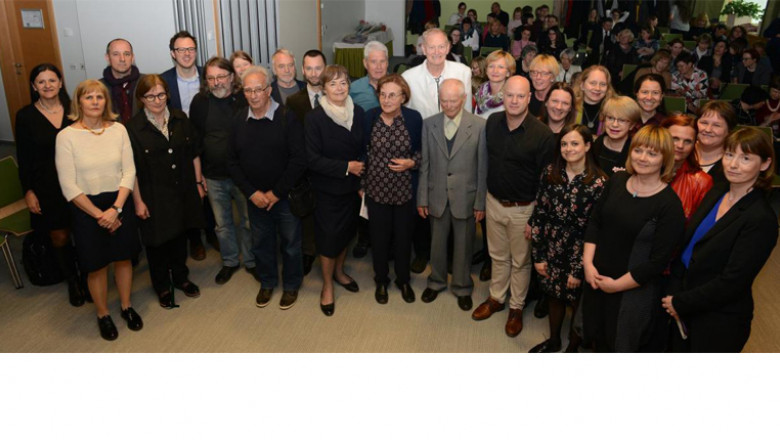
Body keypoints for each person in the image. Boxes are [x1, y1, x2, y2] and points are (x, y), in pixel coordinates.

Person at [663, 127, 777, 352]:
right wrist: (673, 291)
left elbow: (733, 281)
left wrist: (681, 303)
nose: (733, 164)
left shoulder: (761, 218)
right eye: (729, 154)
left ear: (764, 164)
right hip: (682, 302)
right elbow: (688, 247)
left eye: (745, 158)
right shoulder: (718, 191)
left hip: (718, 320)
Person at [582, 125, 685, 352]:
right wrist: (588, 264)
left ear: (665, 159)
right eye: (639, 150)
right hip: (596, 278)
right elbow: (595, 222)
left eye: (652, 153)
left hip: (630, 292)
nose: (643, 158)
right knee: (592, 336)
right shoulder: (617, 181)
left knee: (619, 345)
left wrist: (616, 286)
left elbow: (657, 262)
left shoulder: (670, 206)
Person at [55, 79, 142, 341]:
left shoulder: (119, 130)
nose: (95, 102)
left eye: (99, 97)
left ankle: (126, 306)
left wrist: (116, 209)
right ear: (78, 102)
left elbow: (129, 171)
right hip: (86, 208)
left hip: (118, 200)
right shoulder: (66, 137)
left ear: (106, 102)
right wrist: (99, 215)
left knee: (123, 258)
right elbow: (68, 185)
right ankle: (103, 314)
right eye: (89, 97)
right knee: (96, 266)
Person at [471, 76, 556, 337]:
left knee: (520, 262)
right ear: (503, 97)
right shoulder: (493, 122)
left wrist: (536, 219)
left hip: (524, 210)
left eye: (521, 96)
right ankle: (496, 298)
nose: (515, 100)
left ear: (529, 98)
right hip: (493, 202)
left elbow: (547, 182)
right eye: (510, 95)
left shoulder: (542, 135)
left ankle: (516, 306)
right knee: (497, 256)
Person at [226, 65, 306, 310]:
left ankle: (291, 285)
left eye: (258, 89)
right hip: (256, 199)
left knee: (291, 244)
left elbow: (298, 160)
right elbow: (231, 161)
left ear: (269, 90)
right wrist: (252, 193)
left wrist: (275, 193)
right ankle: (268, 282)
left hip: (283, 196)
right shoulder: (238, 120)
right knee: (261, 244)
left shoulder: (286, 116)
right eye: (248, 90)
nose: (253, 95)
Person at [126, 74, 205, 308]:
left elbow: (193, 154)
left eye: (161, 94)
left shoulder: (180, 118)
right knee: (157, 242)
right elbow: (132, 170)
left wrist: (199, 183)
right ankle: (161, 285)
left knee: (180, 237)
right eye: (150, 96)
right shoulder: (132, 129)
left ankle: (181, 278)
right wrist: (138, 201)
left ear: (167, 95)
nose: (157, 100)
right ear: (141, 98)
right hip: (152, 194)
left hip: (182, 190)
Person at [528, 124, 607, 352]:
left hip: (580, 254)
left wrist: (577, 269)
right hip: (552, 248)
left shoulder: (599, 182)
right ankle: (554, 342)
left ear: (588, 146)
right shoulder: (551, 172)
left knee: (576, 302)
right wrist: (539, 255)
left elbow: (595, 230)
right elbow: (540, 214)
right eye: (564, 144)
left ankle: (573, 348)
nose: (568, 148)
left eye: (574, 143)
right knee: (554, 296)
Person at [403, 27, 472, 274]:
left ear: (449, 47)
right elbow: (407, 115)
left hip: (455, 147)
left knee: (452, 201)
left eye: (441, 46)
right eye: (430, 47)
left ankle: (452, 258)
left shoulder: (463, 72)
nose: (436, 51)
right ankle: (423, 252)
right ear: (422, 48)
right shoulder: (409, 77)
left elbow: (470, 113)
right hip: (422, 146)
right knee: (424, 201)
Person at [15, 64, 83, 306]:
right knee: (60, 235)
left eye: (52, 80)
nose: (47, 85)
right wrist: (28, 191)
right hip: (47, 185)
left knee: (82, 230)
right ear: (34, 86)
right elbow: (23, 158)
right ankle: (72, 280)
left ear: (61, 82)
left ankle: (86, 274)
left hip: (79, 180)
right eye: (41, 82)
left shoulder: (75, 109)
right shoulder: (25, 116)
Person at [418, 78, 487, 311]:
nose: (448, 105)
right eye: (443, 100)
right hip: (436, 195)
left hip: (465, 198)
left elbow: (482, 167)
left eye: (453, 100)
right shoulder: (429, 124)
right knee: (436, 244)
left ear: (464, 99)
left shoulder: (479, 126)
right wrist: (422, 198)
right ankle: (436, 281)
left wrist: (480, 202)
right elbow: (425, 164)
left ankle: (462, 286)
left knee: (464, 245)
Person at [305, 65, 365, 317]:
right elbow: (311, 159)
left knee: (345, 234)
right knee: (328, 239)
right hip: (327, 190)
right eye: (333, 84)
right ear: (324, 88)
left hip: (353, 189)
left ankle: (339, 273)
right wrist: (346, 167)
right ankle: (327, 285)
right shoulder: (315, 118)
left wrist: (361, 180)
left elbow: (365, 147)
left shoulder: (359, 112)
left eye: (343, 83)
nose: (339, 88)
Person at [189, 57, 254, 285]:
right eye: (211, 78)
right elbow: (194, 141)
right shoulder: (200, 102)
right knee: (222, 224)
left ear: (231, 77)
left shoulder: (243, 99)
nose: (217, 82)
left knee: (247, 221)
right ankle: (229, 261)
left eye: (221, 77)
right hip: (213, 175)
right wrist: (199, 179)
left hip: (243, 175)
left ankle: (251, 260)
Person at [361, 74, 422, 304]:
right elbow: (363, 152)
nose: (386, 100)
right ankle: (381, 281)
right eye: (383, 95)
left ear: (403, 97)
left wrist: (412, 163)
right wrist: (362, 185)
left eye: (392, 95)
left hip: (404, 190)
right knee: (379, 239)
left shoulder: (414, 119)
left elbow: (422, 151)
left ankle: (403, 280)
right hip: (376, 190)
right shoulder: (370, 117)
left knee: (404, 239)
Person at [286, 50, 328, 276]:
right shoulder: (294, 101)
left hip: (331, 168)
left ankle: (330, 253)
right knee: (308, 215)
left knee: (329, 214)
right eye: (309, 68)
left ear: (325, 68)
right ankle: (309, 252)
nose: (314, 73)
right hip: (306, 170)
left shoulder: (336, 95)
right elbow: (293, 138)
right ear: (303, 70)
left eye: (318, 68)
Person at [661, 114, 713, 220]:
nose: (680, 146)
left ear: (694, 144)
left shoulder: (702, 182)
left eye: (688, 141)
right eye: (674, 139)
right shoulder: (644, 168)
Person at [593, 96, 642, 176]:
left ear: (632, 125)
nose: (615, 124)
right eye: (610, 118)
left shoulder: (636, 151)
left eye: (622, 120)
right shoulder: (594, 145)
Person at [100, 38, 143, 124]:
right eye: (116, 54)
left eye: (127, 54)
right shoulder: (99, 88)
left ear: (132, 57)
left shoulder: (146, 82)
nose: (122, 59)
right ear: (107, 58)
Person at [696, 99, 737, 186]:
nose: (707, 129)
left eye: (716, 125)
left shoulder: (733, 165)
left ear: (729, 131)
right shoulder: (681, 151)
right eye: (704, 123)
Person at [161, 31, 202, 116]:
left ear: (195, 52)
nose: (187, 53)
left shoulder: (208, 76)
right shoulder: (163, 81)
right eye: (181, 50)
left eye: (191, 49)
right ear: (173, 54)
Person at [574, 65, 616, 134]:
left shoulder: (612, 111)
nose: (597, 88)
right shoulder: (571, 108)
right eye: (593, 83)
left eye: (602, 84)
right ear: (582, 85)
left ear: (607, 88)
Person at [350, 41, 389, 113]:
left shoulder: (398, 85)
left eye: (382, 61)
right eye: (374, 62)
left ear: (387, 63)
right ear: (365, 63)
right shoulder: (353, 88)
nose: (379, 67)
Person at [475, 50, 513, 118]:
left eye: (500, 67)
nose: (495, 70)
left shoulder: (512, 97)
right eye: (491, 66)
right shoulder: (480, 93)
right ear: (486, 70)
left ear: (508, 73)